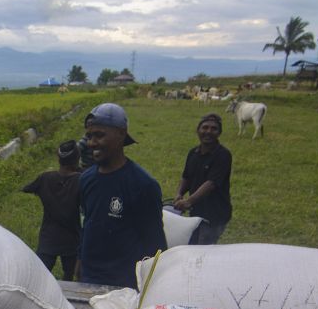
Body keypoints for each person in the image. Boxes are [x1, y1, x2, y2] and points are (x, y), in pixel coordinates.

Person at [77, 103, 167, 289]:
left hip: (124, 286)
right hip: (89, 278)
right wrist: (80, 265)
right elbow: (88, 225)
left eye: (99, 135)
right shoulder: (86, 179)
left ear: (121, 134)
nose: (92, 143)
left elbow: (155, 246)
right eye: (89, 136)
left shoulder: (143, 185)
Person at [22, 140, 82, 281]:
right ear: (77, 159)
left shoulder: (45, 178)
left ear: (58, 158)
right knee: (69, 275)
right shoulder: (81, 180)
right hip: (72, 238)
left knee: (39, 275)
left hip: (48, 238)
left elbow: (27, 188)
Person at [173, 113, 232, 244]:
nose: (208, 132)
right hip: (196, 211)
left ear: (219, 132)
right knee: (192, 243)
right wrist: (179, 194)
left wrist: (188, 201)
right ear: (198, 130)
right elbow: (186, 176)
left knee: (203, 249)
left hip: (214, 214)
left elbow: (211, 184)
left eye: (213, 128)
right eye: (205, 127)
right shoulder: (193, 153)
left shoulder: (223, 155)